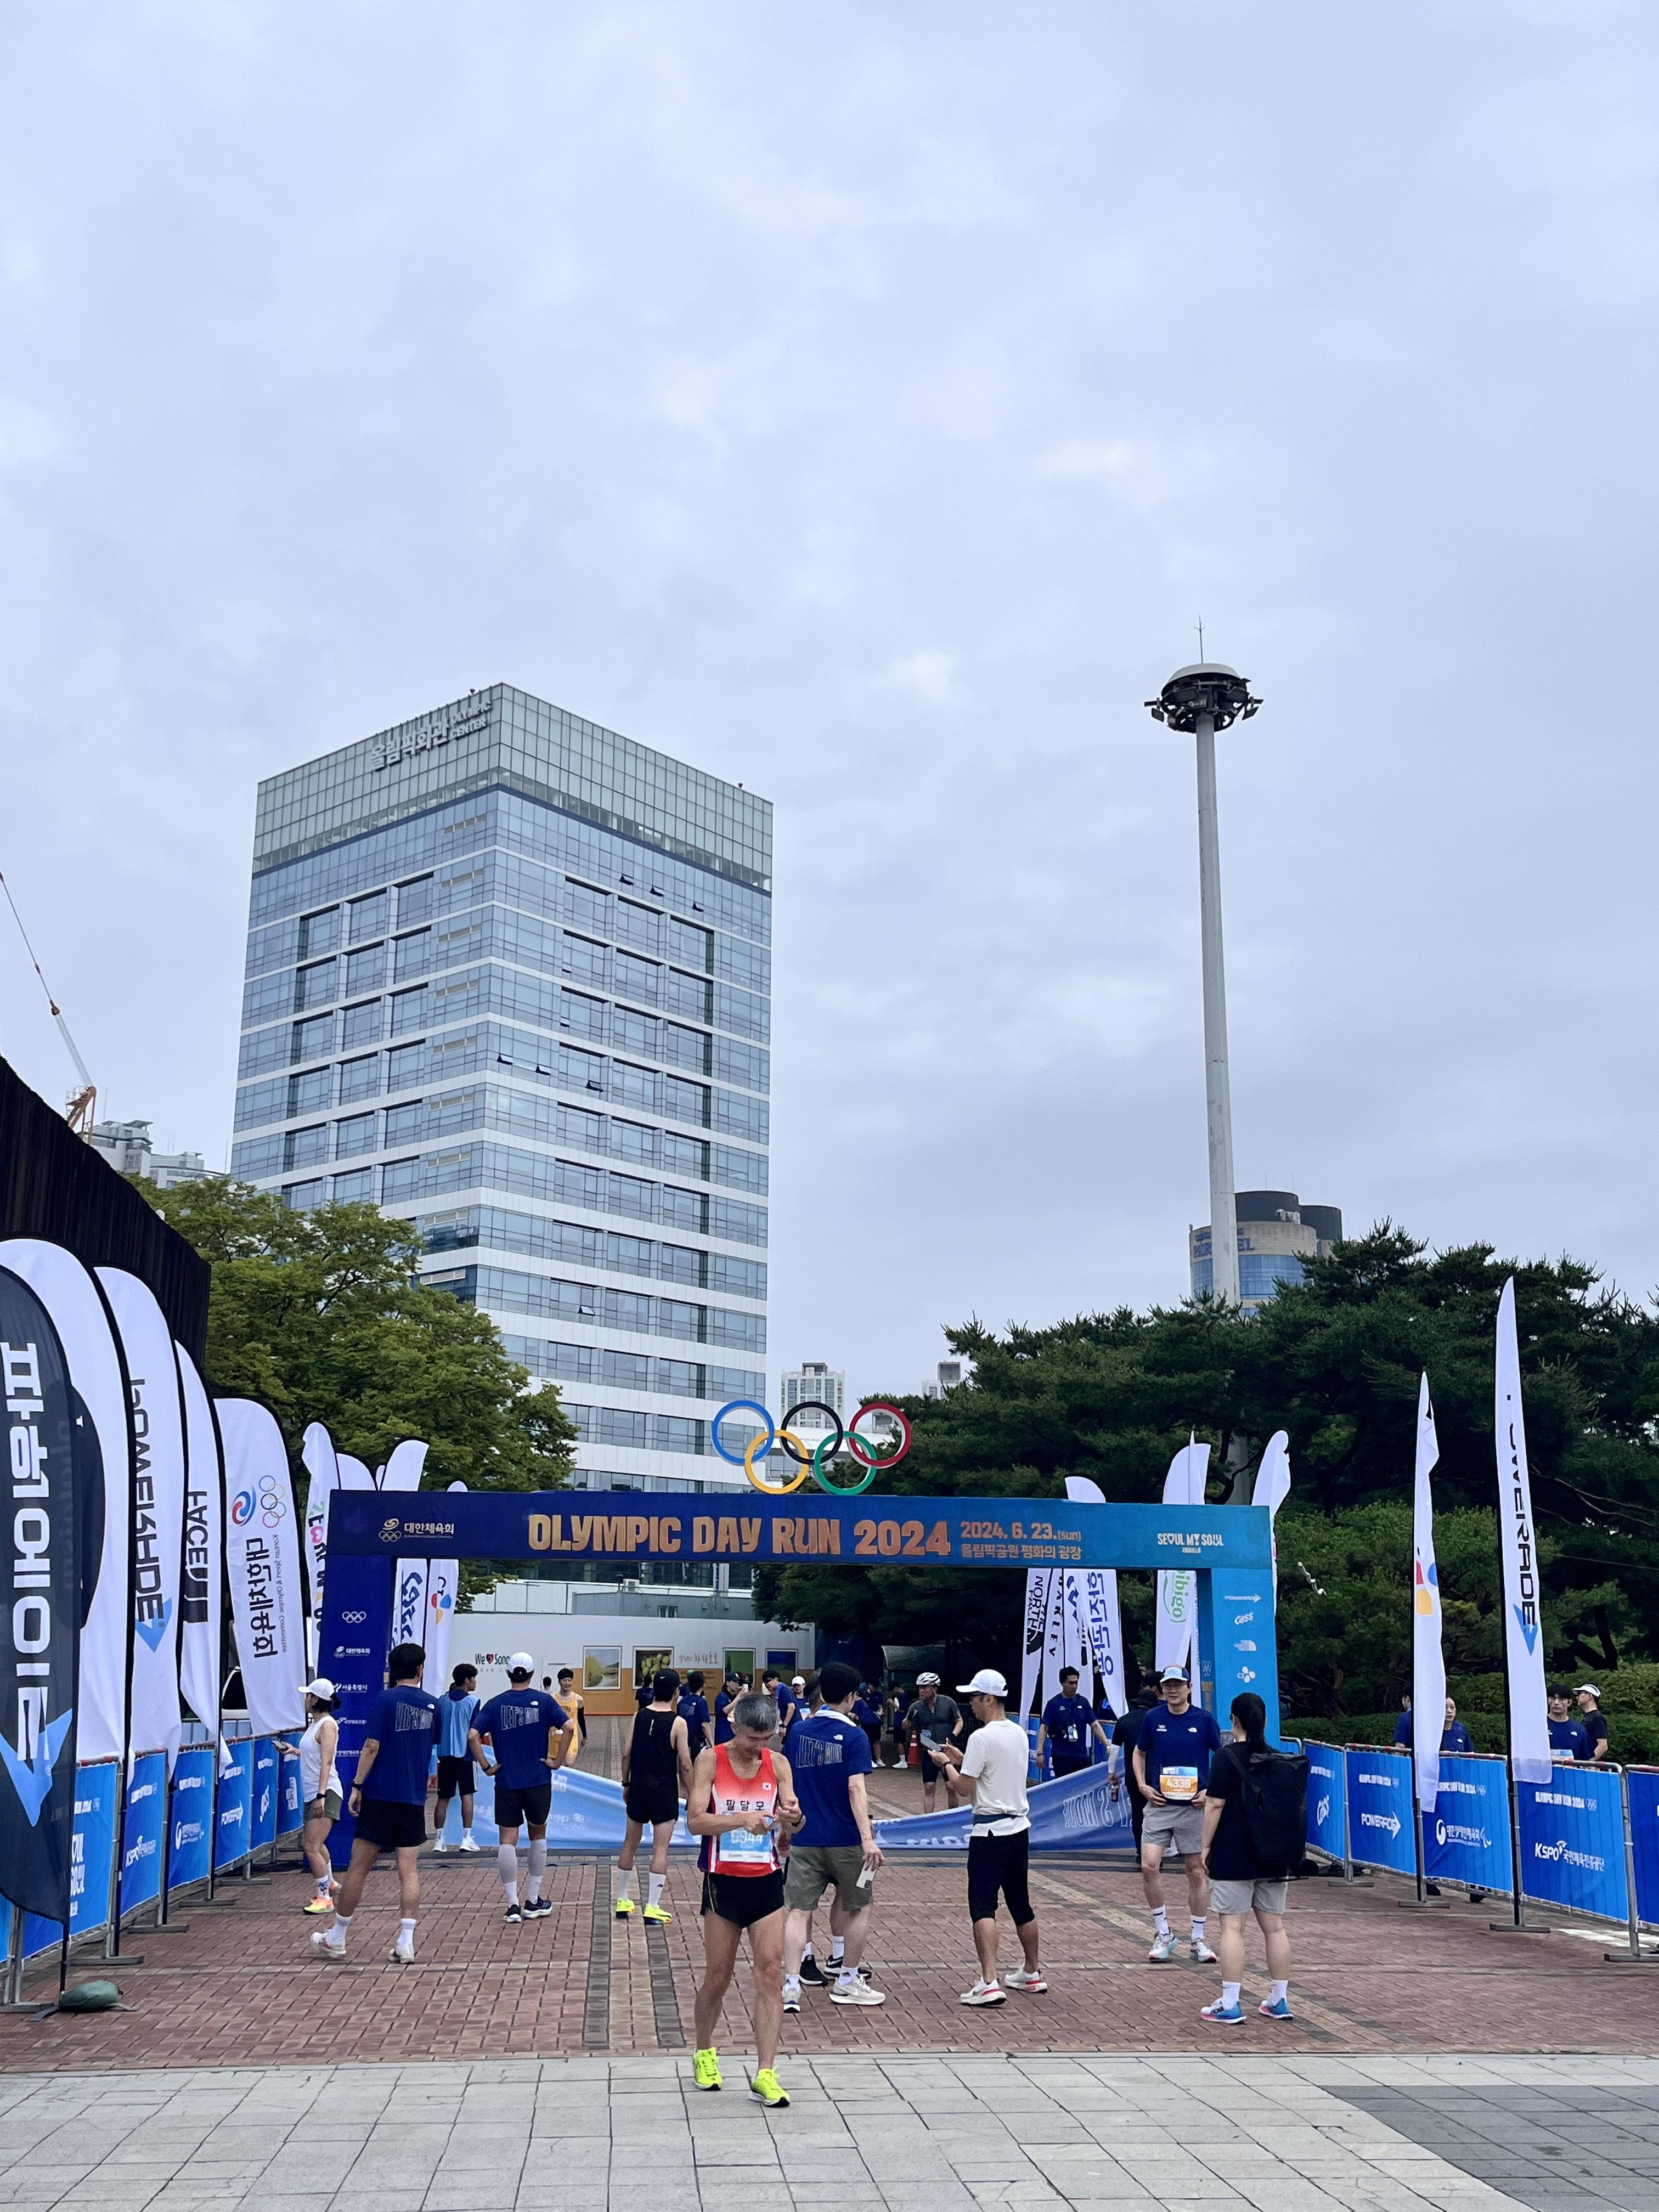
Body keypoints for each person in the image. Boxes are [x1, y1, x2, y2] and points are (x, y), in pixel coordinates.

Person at [687, 1688, 802, 2108]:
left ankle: (766, 2072)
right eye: (753, 1739)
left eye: (767, 1739)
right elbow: (695, 1822)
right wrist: (740, 1819)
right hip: (723, 1882)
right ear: (735, 1727)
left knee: (770, 1973)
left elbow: (794, 1821)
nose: (760, 1747)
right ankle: (704, 2051)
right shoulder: (711, 1760)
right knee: (718, 1977)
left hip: (766, 1880)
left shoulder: (779, 1763)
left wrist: (793, 1818)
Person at [310, 1641, 437, 1964]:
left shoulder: (385, 1700)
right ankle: (406, 1941)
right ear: (420, 1669)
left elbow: (371, 1746)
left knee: (359, 1869)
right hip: (413, 1798)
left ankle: (338, 1937)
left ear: (392, 1670)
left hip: (379, 1796)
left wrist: (357, 1785)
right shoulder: (433, 1705)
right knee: (409, 1870)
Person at [930, 1668, 1044, 2007]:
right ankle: (1032, 1971)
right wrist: (962, 1759)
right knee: (1021, 1902)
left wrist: (945, 1764)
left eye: (975, 1698)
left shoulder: (982, 1737)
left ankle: (989, 1981)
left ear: (989, 1699)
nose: (972, 1705)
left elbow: (963, 1788)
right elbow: (994, 1770)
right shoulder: (1019, 1733)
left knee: (983, 1906)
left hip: (989, 1831)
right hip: (1018, 1829)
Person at [781, 1660, 885, 2011]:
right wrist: (867, 1839)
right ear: (852, 1697)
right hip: (846, 1840)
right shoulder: (855, 1736)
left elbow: (787, 1785)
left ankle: (791, 1985)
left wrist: (785, 1830)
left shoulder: (797, 1732)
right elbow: (856, 1789)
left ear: (822, 1693)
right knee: (858, 1906)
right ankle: (847, 1979)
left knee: (798, 1911)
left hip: (805, 1837)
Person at [1197, 1691, 1302, 2024]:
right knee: (1275, 1928)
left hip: (1234, 1853)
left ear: (1234, 1721)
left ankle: (1231, 2002)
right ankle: (1279, 1999)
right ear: (1265, 1721)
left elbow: (1215, 1804)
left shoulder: (1226, 1757)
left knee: (1233, 1928)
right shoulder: (1279, 1759)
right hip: (1273, 1854)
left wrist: (1204, 1846)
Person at [469, 1652, 571, 1923]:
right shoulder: (545, 1702)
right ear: (532, 1674)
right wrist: (557, 1761)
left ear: (508, 1674)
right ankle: (533, 1900)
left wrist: (486, 1766)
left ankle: (512, 1904)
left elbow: (473, 1736)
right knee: (538, 1834)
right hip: (538, 1779)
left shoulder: (495, 1704)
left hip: (506, 1781)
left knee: (507, 1839)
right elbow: (569, 1727)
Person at [1133, 1664, 1222, 1965]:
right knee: (1149, 1865)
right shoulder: (1153, 1718)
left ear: (1189, 1688)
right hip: (1160, 1805)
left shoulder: (1204, 1720)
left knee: (1196, 1870)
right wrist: (1142, 1785)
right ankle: (1163, 1933)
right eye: (1167, 1685)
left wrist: (1210, 1791)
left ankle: (1198, 1939)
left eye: (1178, 1685)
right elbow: (1139, 1752)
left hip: (1193, 1808)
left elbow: (1221, 1755)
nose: (1172, 1690)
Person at [617, 1668, 693, 1922]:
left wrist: (626, 1783)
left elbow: (626, 1754)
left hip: (638, 1789)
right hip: (664, 1793)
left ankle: (622, 1900)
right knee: (660, 1848)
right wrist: (692, 1793)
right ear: (676, 1692)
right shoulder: (678, 1723)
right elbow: (685, 1764)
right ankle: (652, 1906)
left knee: (630, 1843)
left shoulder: (638, 1715)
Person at [280, 1678, 341, 1915]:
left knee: (311, 1846)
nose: (305, 1700)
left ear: (315, 1699)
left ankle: (325, 1897)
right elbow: (314, 1755)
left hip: (324, 1792)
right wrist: (294, 1751)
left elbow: (327, 1762)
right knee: (317, 1843)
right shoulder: (317, 1725)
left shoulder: (327, 1725)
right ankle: (330, 1883)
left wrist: (321, 1795)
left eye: (308, 1696)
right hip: (314, 1792)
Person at [432, 1662, 482, 1852]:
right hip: (466, 1756)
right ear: (467, 1680)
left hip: (445, 1756)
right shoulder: (473, 1702)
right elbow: (475, 1734)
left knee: (443, 1798)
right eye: (474, 1678)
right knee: (467, 1796)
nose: (475, 1682)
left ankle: (439, 1841)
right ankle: (466, 1838)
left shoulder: (442, 1701)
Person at [902, 1672, 963, 1813]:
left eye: (925, 1687)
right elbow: (905, 1726)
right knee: (929, 1787)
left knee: (951, 1786)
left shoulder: (948, 1702)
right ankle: (928, 1818)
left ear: (935, 1689)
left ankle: (952, 1816)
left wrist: (954, 1734)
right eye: (920, 1688)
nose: (921, 1691)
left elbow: (959, 1721)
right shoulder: (916, 1706)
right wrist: (909, 1718)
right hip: (929, 1750)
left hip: (946, 1750)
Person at [1110, 1685, 1160, 1857]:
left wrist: (1111, 1772)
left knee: (1138, 1813)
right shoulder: (1157, 1720)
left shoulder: (1124, 1721)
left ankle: (1141, 1851)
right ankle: (1155, 1853)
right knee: (1156, 1815)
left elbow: (1114, 1749)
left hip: (1133, 1776)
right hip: (1156, 1776)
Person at [1038, 1666, 1110, 1779]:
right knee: (1065, 1787)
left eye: (1076, 1683)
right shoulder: (1054, 1704)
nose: (1074, 1686)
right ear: (1062, 1683)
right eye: (1071, 1683)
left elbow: (1095, 1725)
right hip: (1062, 1755)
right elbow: (1044, 1728)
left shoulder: (1083, 1702)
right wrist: (1040, 1752)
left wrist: (1107, 1745)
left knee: (1085, 1785)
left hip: (1081, 1755)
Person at [1394, 1696, 1472, 1754]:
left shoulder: (1460, 1729)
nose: (1449, 1711)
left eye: (1452, 1707)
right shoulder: (1428, 1729)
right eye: (1445, 1707)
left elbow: (1470, 1754)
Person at [1548, 1688, 1591, 1760]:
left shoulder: (1579, 1730)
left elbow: (1586, 1760)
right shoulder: (1539, 1726)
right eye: (1552, 1699)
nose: (1556, 1703)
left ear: (1569, 1702)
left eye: (1561, 1699)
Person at [679, 1669, 714, 1755]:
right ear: (703, 1685)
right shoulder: (701, 1702)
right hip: (698, 1742)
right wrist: (712, 1744)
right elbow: (705, 1725)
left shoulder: (682, 1702)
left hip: (684, 1742)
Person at [557, 1666, 588, 1758]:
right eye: (564, 1681)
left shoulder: (579, 1700)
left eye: (569, 1680)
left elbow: (581, 1719)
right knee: (556, 1764)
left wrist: (585, 1736)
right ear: (559, 1682)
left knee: (569, 1762)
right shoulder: (553, 1699)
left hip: (572, 1736)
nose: (567, 1683)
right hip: (555, 1736)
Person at [1576, 1685, 1611, 1761]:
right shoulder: (1588, 1717)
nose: (1577, 1697)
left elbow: (1603, 1746)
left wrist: (1588, 1762)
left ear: (1589, 1696)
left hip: (1591, 1766)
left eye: (1580, 1694)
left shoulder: (1597, 1718)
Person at [853, 1683, 883, 1765]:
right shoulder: (861, 1702)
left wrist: (851, 1715)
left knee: (871, 1741)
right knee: (871, 1741)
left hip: (869, 1723)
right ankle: (872, 1760)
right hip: (869, 1722)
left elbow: (857, 1716)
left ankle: (873, 1760)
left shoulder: (859, 1703)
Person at [764, 1670, 797, 1735]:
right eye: (765, 1682)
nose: (767, 1684)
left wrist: (784, 1725)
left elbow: (792, 1707)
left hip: (792, 1727)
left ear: (776, 1679)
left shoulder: (784, 1690)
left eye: (769, 1681)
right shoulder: (776, 1693)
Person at [714, 1671, 743, 1745]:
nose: (737, 1685)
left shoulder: (735, 1698)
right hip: (723, 1735)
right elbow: (726, 1710)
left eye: (738, 1683)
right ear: (728, 1683)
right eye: (735, 1682)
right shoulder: (722, 1696)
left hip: (734, 1734)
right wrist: (739, 1698)